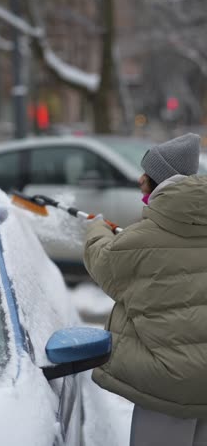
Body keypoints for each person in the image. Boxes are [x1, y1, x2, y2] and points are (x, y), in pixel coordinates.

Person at [83, 133, 207, 446]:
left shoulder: (139, 239)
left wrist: (97, 227)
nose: (140, 179)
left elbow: (102, 262)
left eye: (147, 174)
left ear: (161, 182)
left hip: (166, 387)